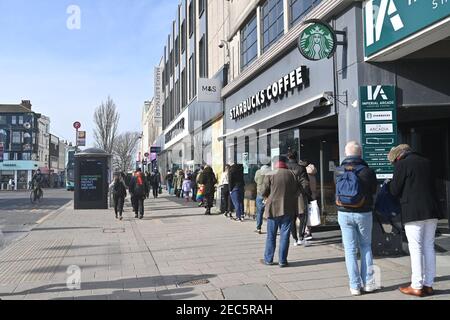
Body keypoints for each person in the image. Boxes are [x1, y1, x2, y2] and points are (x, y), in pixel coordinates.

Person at [387, 144, 442, 297]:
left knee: (416, 247)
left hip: (412, 211)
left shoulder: (402, 164)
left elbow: (394, 190)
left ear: (397, 157)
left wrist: (390, 183)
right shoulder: (427, 162)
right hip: (431, 209)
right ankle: (428, 284)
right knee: (429, 246)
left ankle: (417, 285)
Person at [336, 141, 378, 296]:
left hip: (343, 213)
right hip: (364, 213)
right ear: (360, 154)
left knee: (350, 250)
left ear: (346, 154)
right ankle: (368, 284)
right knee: (366, 246)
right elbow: (374, 190)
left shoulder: (339, 170)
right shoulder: (367, 171)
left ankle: (354, 286)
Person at [261, 156, 301, 268]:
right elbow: (296, 191)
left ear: (275, 163)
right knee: (285, 235)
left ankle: (268, 259)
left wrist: (266, 197)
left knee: (271, 235)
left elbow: (263, 191)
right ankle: (282, 261)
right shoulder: (292, 174)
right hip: (288, 208)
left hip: (273, 209)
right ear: (285, 163)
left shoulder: (270, 174)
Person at [286, 150, 312, 247]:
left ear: (288, 157)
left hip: (289, 196)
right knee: (302, 216)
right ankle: (301, 237)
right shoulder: (301, 168)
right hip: (300, 195)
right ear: (296, 157)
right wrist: (309, 195)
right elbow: (305, 183)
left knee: (291, 218)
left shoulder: (285, 168)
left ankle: (295, 239)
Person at [254, 163, 271, 234]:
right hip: (268, 195)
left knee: (259, 212)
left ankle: (258, 228)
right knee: (270, 212)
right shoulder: (270, 173)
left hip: (260, 193)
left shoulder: (258, 172)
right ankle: (270, 229)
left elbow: (255, 180)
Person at [304, 162, 318, 240]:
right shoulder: (313, 176)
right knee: (311, 213)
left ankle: (307, 231)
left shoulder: (307, 176)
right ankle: (309, 230)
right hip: (313, 196)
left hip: (308, 196)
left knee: (306, 214)